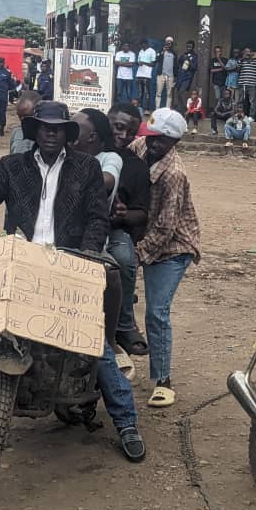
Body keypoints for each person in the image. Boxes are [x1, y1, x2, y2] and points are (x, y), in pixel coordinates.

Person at [0, 100, 147, 462]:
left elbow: (98, 220)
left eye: (59, 128)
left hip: (68, 265)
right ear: (34, 130)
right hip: (19, 262)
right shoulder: (12, 166)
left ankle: (126, 422)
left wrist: (84, 258)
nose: (51, 133)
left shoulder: (86, 169)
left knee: (93, 345)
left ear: (68, 134)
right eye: (44, 127)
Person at [128, 108, 199, 408]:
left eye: (160, 140)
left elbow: (167, 227)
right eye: (150, 136)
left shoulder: (174, 174)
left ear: (173, 141)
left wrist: (138, 254)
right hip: (142, 235)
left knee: (157, 311)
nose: (152, 143)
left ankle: (163, 380)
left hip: (173, 248)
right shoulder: (140, 146)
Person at [106, 103, 151, 356]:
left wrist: (123, 214)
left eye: (130, 133)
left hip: (112, 229)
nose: (123, 136)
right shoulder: (84, 148)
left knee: (123, 258)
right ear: (107, 122)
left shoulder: (135, 166)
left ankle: (124, 323)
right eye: (118, 127)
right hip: (75, 223)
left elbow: (142, 213)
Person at [9, 90, 43, 155]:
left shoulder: (48, 136)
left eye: (27, 116)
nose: (22, 120)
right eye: (19, 116)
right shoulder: (17, 132)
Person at [174, 41, 198, 111]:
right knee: (178, 92)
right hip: (181, 76)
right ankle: (180, 107)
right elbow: (179, 63)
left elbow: (194, 67)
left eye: (190, 46)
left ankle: (183, 108)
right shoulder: (184, 54)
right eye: (187, 46)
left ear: (193, 47)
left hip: (188, 77)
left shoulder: (195, 56)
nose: (188, 48)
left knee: (181, 92)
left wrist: (188, 60)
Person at [237, 48, 256, 120]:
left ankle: (251, 116)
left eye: (249, 52)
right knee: (241, 101)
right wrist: (242, 59)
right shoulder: (242, 61)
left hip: (252, 84)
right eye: (246, 52)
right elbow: (237, 70)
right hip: (243, 84)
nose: (248, 53)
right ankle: (240, 114)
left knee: (252, 101)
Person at [154, 37, 176, 110]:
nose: (168, 44)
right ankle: (157, 108)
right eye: (167, 42)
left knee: (169, 94)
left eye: (170, 43)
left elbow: (176, 65)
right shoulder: (161, 51)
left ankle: (167, 108)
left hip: (171, 76)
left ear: (172, 44)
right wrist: (162, 51)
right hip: (161, 75)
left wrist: (175, 76)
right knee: (158, 92)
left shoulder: (174, 54)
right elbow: (156, 60)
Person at [136, 40, 156, 111]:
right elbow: (138, 61)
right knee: (140, 92)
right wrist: (139, 63)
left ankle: (147, 108)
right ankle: (140, 108)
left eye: (142, 45)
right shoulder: (141, 51)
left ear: (145, 44)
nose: (141, 47)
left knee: (147, 92)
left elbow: (153, 64)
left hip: (147, 75)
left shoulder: (152, 51)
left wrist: (143, 62)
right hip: (139, 74)